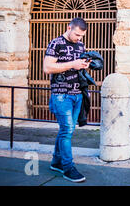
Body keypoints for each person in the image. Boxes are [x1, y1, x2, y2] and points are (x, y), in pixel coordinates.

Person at [43, 17, 91, 183]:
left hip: (78, 94)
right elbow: (47, 68)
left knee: (66, 130)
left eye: (81, 36)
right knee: (67, 130)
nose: (79, 38)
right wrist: (73, 64)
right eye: (77, 34)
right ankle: (68, 168)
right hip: (61, 95)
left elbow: (78, 65)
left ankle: (56, 162)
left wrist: (85, 64)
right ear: (69, 27)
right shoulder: (56, 43)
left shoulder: (80, 45)